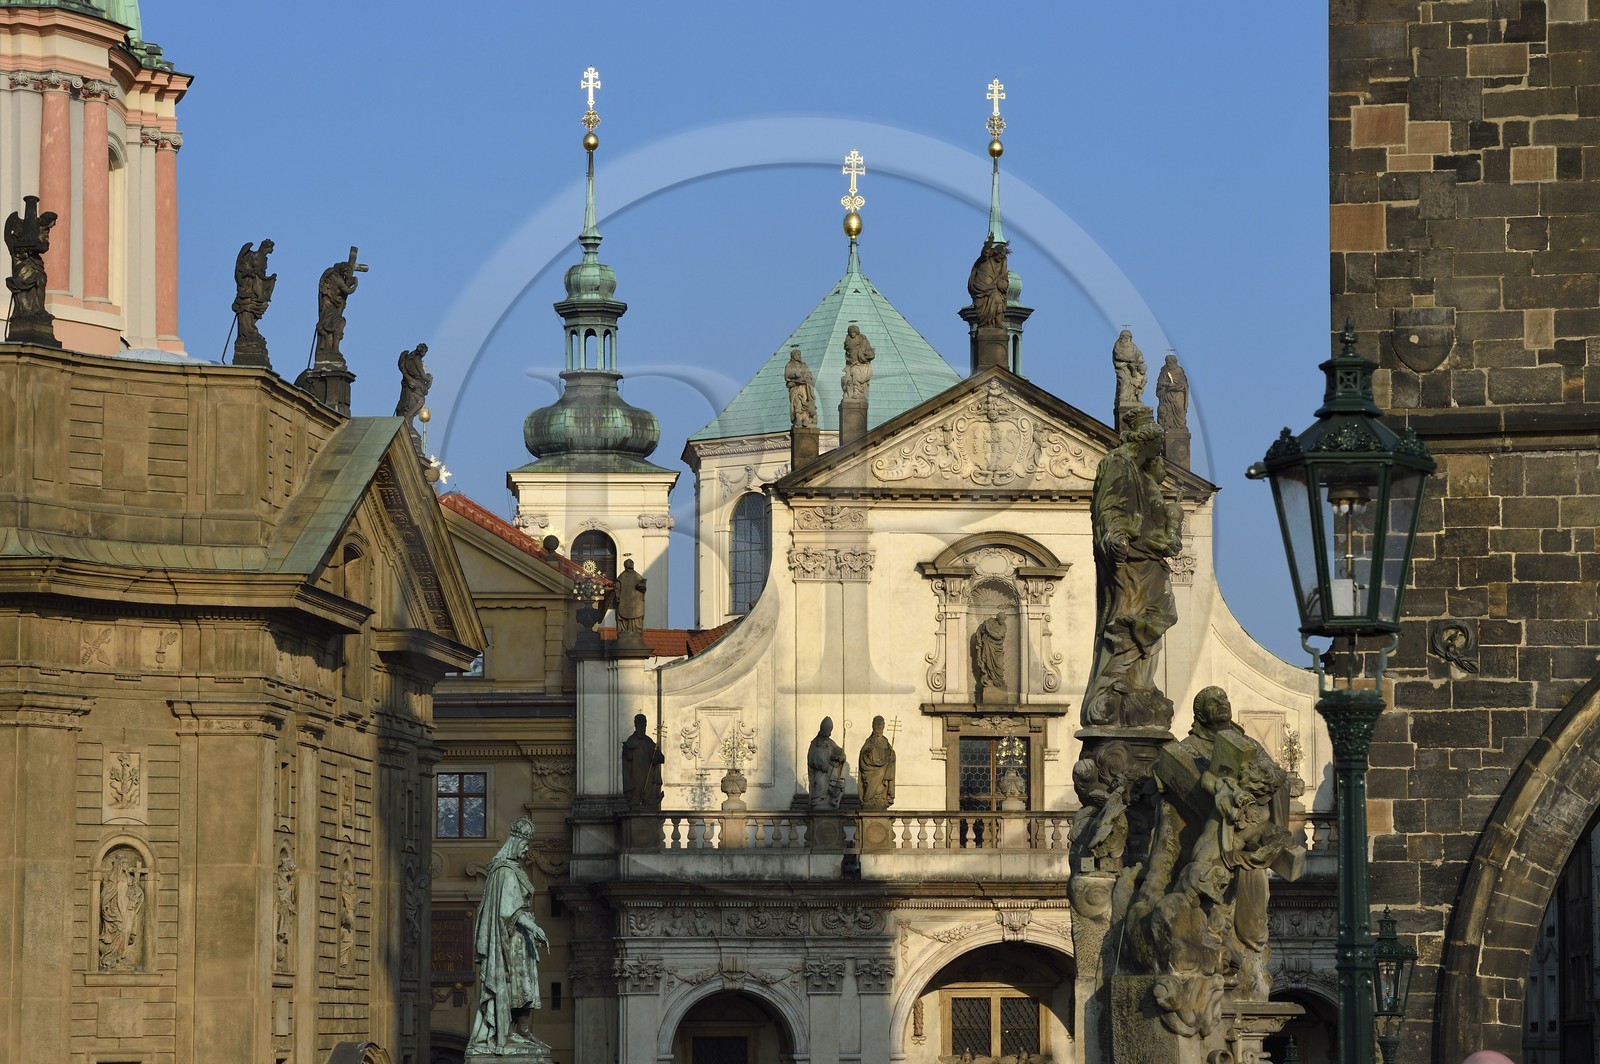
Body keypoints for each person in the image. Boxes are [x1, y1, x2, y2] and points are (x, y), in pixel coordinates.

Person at [1081, 407, 1183, 727]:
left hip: (1149, 559)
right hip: (1130, 559)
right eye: (1158, 446)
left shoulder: (1142, 473)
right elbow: (1108, 507)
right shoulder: (1118, 464)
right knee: (1128, 621)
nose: (1161, 453)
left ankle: (1139, 684)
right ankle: (1113, 683)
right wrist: (1114, 538)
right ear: (1147, 442)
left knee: (1158, 617)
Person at [469, 818, 550, 1055]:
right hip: (511, 941)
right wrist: (534, 927)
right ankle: (509, 1032)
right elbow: (508, 910)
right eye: (525, 843)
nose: (526, 849)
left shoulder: (511, 870)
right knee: (516, 986)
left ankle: (522, 1030)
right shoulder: (504, 871)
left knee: (525, 987)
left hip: (520, 941)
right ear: (515, 841)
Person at [231, 239, 276, 361]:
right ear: (265, 247)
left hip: (257, 284)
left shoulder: (264, 259)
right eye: (269, 249)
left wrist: (269, 279)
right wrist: (251, 272)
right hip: (249, 285)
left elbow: (261, 273)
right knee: (247, 307)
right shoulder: (253, 255)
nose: (269, 252)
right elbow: (241, 268)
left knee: (260, 304)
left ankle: (250, 330)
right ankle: (247, 332)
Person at [620, 713, 664, 810]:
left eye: (643, 725)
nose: (641, 728)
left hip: (648, 776)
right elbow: (627, 758)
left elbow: (661, 758)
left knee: (647, 793)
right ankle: (635, 804)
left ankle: (647, 803)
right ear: (635, 725)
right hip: (635, 774)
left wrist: (655, 757)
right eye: (639, 725)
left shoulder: (649, 741)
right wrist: (627, 751)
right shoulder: (631, 741)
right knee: (636, 791)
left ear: (646, 725)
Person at [967, 237, 1009, 329]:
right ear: (996, 253)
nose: (1001, 258)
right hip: (980, 288)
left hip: (993, 289)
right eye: (1000, 255)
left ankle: (997, 322)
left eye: (1003, 256)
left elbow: (1003, 276)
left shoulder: (1002, 262)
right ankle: (984, 324)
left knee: (999, 301)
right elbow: (984, 253)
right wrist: (987, 245)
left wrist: (1003, 283)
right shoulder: (986, 258)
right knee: (981, 311)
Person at [857, 715, 896, 808]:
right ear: (872, 725)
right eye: (876, 723)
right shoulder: (869, 741)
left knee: (885, 771)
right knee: (870, 789)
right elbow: (863, 754)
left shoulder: (885, 741)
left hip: (882, 771)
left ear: (884, 725)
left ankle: (882, 799)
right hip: (871, 770)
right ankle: (869, 800)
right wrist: (867, 753)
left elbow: (892, 754)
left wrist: (891, 756)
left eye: (880, 723)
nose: (878, 725)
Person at [808, 717, 846, 810]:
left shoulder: (831, 743)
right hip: (820, 772)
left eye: (829, 730)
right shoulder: (815, 743)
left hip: (830, 772)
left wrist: (841, 757)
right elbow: (811, 758)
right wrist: (821, 764)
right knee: (819, 784)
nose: (827, 732)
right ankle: (817, 802)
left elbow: (839, 753)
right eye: (826, 729)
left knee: (833, 785)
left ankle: (831, 801)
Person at [970, 611, 1007, 698]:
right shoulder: (989, 621)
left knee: (999, 666)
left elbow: (998, 636)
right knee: (986, 663)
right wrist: (983, 629)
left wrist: (988, 630)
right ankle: (989, 681)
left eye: (1003, 620)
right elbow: (981, 630)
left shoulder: (1004, 626)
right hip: (987, 646)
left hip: (997, 650)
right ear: (998, 618)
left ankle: (998, 681)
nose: (1002, 622)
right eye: (1001, 620)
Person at [1156, 351, 1188, 433]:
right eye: (1167, 362)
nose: (1169, 364)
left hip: (1178, 394)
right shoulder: (1164, 370)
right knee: (1167, 411)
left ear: (1174, 362)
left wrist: (1180, 386)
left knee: (1180, 410)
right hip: (1167, 394)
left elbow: (1184, 383)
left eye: (1170, 362)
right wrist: (1169, 384)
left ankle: (1180, 426)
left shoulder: (1180, 370)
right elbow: (1160, 383)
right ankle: (1168, 426)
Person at [784, 348, 817, 429]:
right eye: (797, 355)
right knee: (797, 404)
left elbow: (809, 374)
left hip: (804, 388)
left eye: (799, 354)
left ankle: (806, 418)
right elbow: (787, 375)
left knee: (805, 403)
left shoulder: (804, 365)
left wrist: (807, 378)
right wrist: (795, 375)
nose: (799, 356)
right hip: (796, 388)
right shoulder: (789, 365)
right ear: (793, 356)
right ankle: (798, 419)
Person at [841, 325, 875, 399]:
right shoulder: (848, 340)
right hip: (850, 364)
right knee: (847, 379)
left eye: (853, 332)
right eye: (850, 332)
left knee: (856, 375)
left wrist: (865, 354)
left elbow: (869, 351)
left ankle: (857, 392)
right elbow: (847, 348)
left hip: (860, 364)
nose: (852, 334)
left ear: (857, 332)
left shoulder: (863, 340)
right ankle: (850, 394)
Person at [615, 558, 646, 638]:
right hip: (625, 602)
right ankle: (626, 630)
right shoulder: (622, 577)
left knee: (635, 616)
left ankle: (635, 630)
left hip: (635, 603)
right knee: (624, 615)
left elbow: (643, 587)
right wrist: (618, 596)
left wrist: (642, 587)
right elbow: (617, 588)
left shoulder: (637, 576)